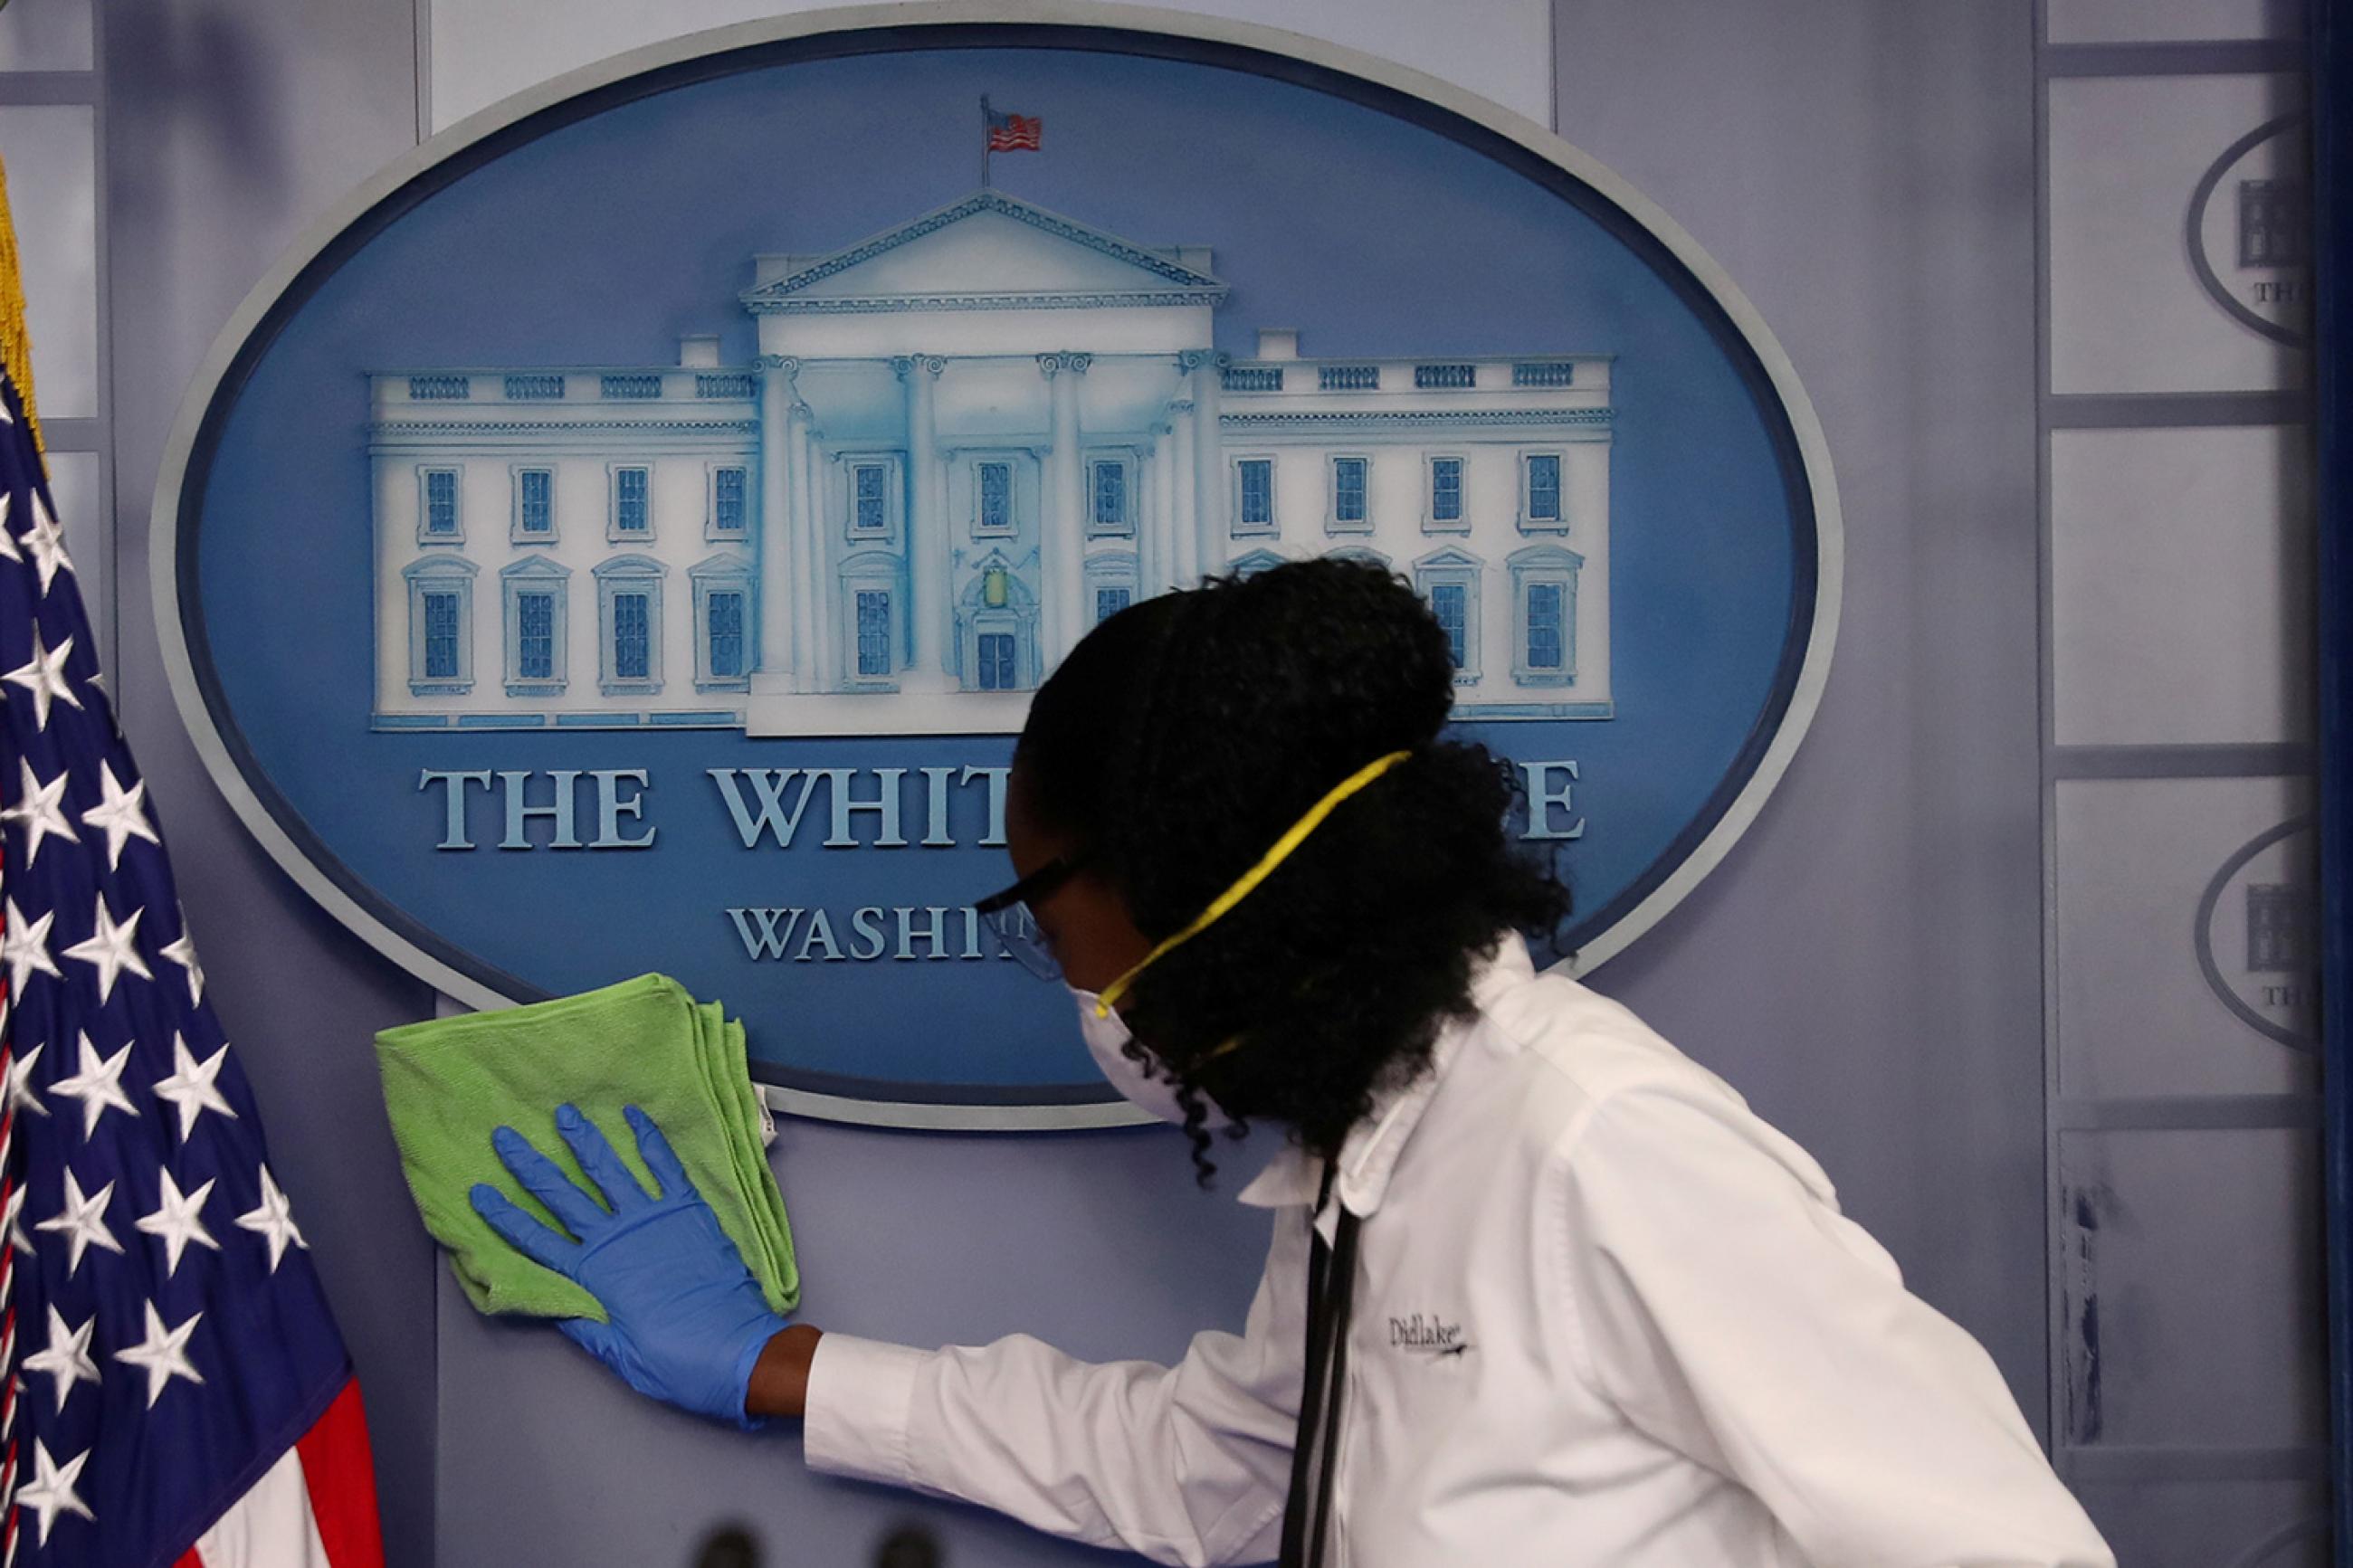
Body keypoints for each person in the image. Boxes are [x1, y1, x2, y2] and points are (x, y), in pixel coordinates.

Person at [471, 559, 2114, 1567]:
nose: (1064, 971)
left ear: (1207, 890)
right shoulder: (1375, 1160)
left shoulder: (1596, 1141)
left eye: (1049, 906)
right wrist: (785, 1365)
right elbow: (1225, 1470)